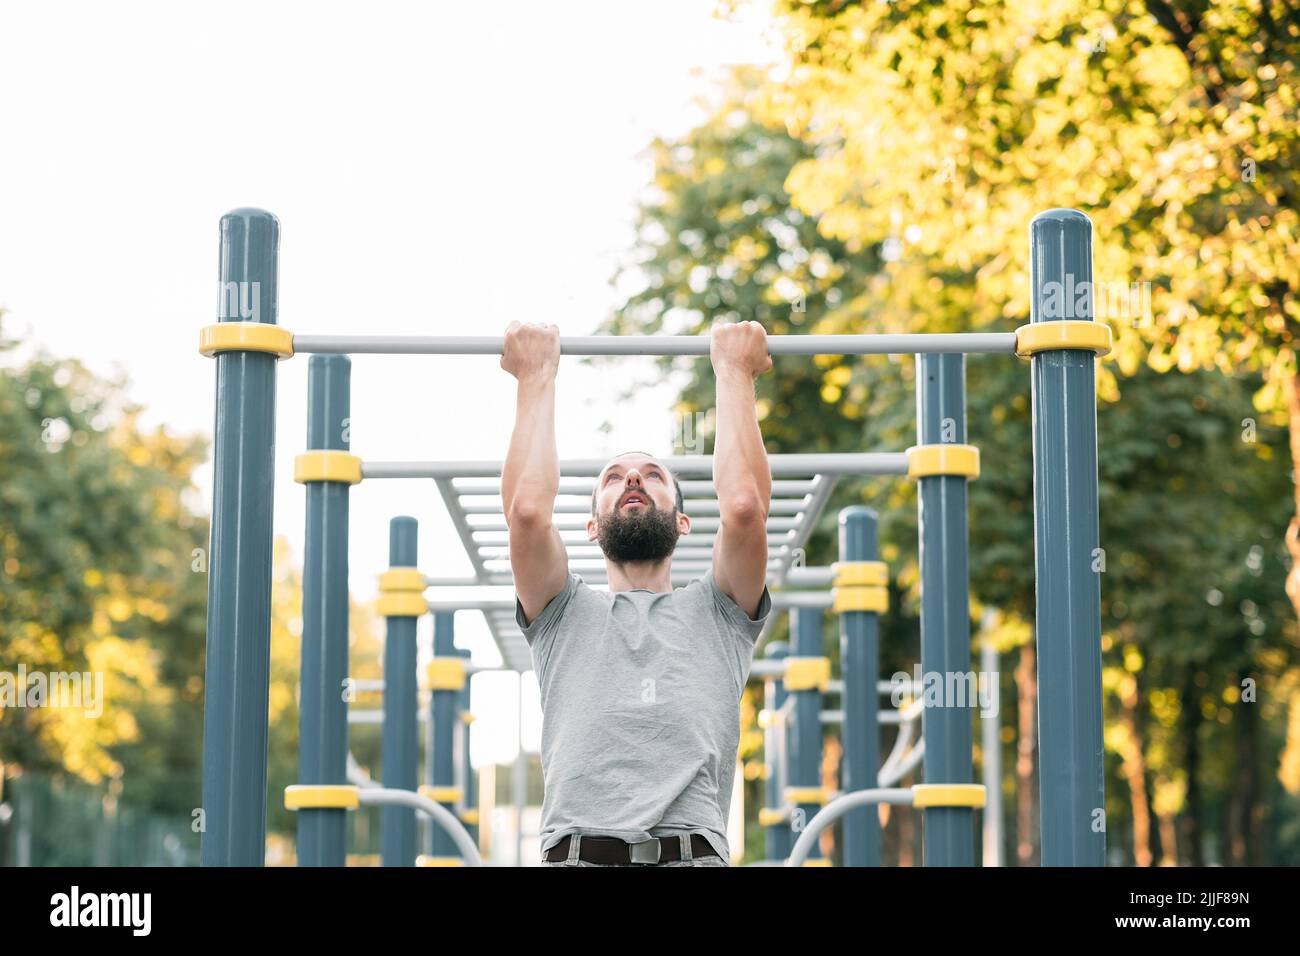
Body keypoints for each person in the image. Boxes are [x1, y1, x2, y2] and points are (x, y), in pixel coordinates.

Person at [499, 320, 774, 867]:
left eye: (652, 475)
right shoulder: (561, 611)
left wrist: (735, 372)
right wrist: (535, 378)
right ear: (592, 528)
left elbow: (744, 508)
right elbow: (527, 514)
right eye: (613, 477)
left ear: (684, 521)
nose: (632, 480)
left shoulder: (719, 611)